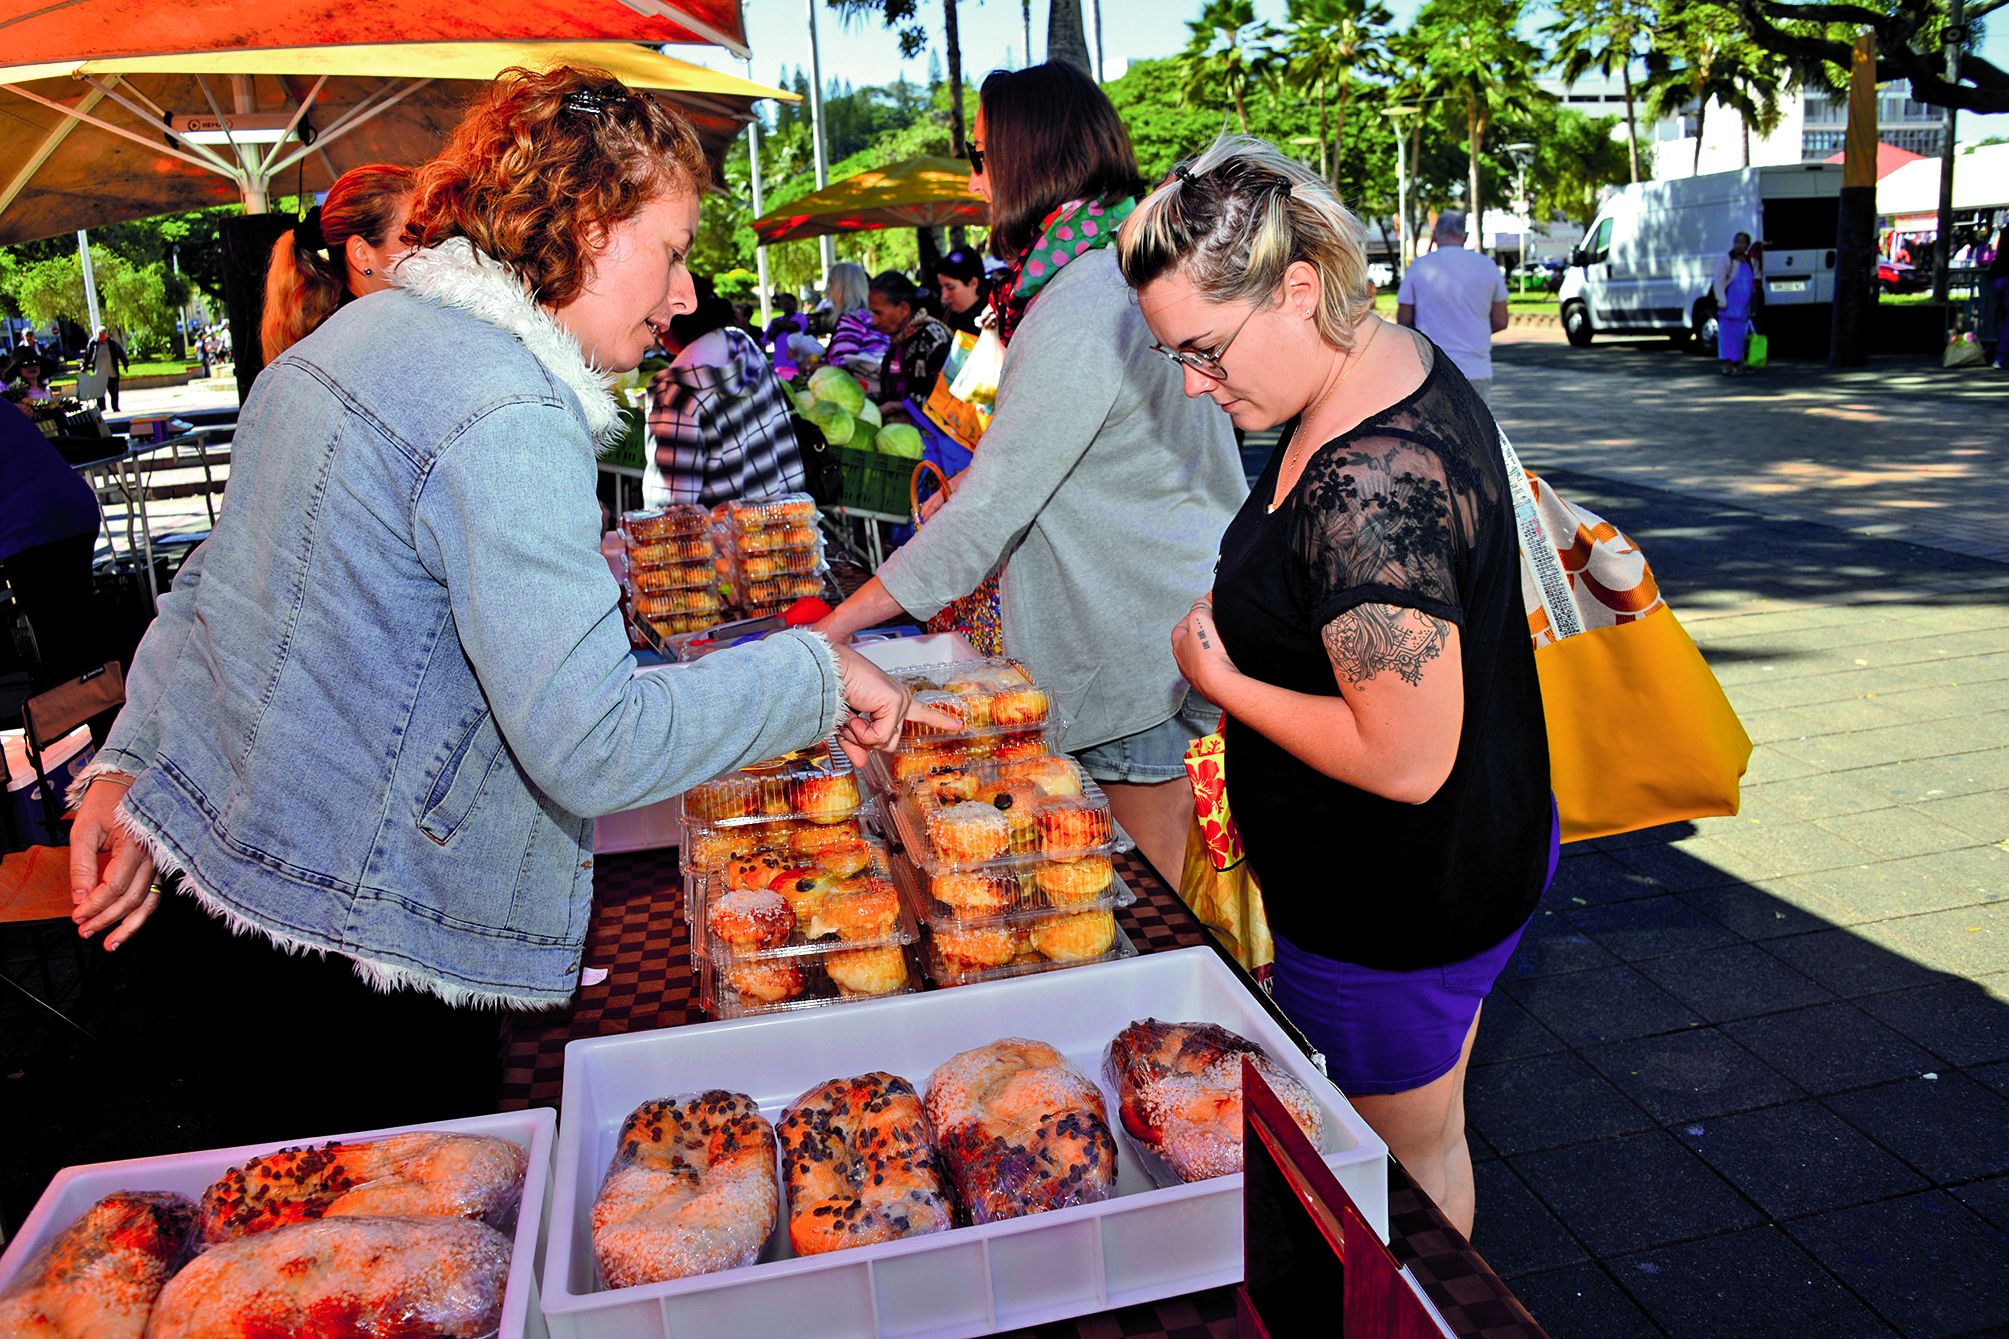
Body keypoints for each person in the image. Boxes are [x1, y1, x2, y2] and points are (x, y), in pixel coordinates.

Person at [63, 66, 935, 1142]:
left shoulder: (343, 344)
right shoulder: (507, 405)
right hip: (362, 936)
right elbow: (591, 742)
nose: (678, 295)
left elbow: (206, 588)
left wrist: (126, 765)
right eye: (668, 254)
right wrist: (812, 675)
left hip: (239, 903)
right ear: (586, 225)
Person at [1116, 135, 1554, 1237]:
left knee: (1384, 1188)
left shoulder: (1365, 486)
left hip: (1391, 905)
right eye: (1175, 355)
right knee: (1426, 1137)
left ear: (1298, 288)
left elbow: (1405, 759)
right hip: (1461, 857)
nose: (1191, 382)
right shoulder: (1379, 354)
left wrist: (1222, 679)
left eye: (1205, 350)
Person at [814, 62, 1247, 882]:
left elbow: (990, 511)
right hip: (1153, 625)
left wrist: (832, 629)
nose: (973, 179)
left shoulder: (1084, 298)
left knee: (1144, 906)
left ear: (1026, 160)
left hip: (1132, 651)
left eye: (980, 157)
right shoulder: (1104, 269)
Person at [644, 276, 804, 507]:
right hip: (783, 528)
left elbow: (670, 511)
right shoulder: (743, 346)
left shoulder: (675, 394)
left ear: (663, 323)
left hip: (722, 540)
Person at [261, 163, 416, 362]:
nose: (436, 245)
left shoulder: (382, 326)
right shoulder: (354, 349)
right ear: (361, 254)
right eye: (415, 235)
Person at [1, 396, 104, 687]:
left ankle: (78, 720)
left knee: (59, 645)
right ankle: (103, 715)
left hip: (33, 528)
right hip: (69, 513)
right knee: (79, 635)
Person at [1395, 212, 1509, 404]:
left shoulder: (1420, 267)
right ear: (1464, 236)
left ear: (1436, 235)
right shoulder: (1487, 266)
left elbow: (1404, 320)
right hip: (1476, 368)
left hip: (1431, 369)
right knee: (1477, 431)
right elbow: (1500, 320)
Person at [868, 269, 952, 415]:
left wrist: (900, 406)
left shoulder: (933, 338)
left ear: (903, 308)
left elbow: (947, 400)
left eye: (878, 313)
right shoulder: (899, 339)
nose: (873, 321)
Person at [820, 261, 891, 374]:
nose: (828, 291)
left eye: (831, 284)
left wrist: (811, 367)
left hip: (864, 386)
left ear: (841, 289)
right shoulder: (870, 316)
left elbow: (839, 365)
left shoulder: (852, 320)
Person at [1713, 231, 1761, 376]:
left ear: (1747, 245)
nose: (1739, 245)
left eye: (1742, 242)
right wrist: (1721, 300)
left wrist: (1753, 304)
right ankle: (1727, 364)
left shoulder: (1750, 262)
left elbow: (1754, 282)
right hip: (1728, 305)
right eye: (1737, 242)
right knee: (1726, 336)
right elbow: (1719, 281)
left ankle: (1738, 362)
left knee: (1739, 336)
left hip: (1743, 307)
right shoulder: (1727, 259)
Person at [933, 245, 992, 334]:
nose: (944, 297)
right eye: (941, 287)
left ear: (973, 283)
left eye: (950, 288)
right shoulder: (944, 316)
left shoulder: (994, 319)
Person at [84, 327, 128, 412]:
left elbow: (121, 353)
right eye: (100, 336)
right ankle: (101, 408)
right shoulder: (93, 344)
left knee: (114, 392)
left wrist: (125, 364)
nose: (102, 338)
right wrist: (84, 366)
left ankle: (115, 407)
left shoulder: (112, 344)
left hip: (112, 373)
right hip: (99, 373)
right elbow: (87, 356)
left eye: (104, 335)